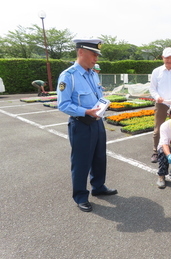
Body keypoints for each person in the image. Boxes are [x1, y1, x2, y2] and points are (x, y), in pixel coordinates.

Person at [57, 38, 117, 212]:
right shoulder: (68, 76)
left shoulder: (93, 73)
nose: (96, 59)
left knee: (99, 158)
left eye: (97, 55)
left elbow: (97, 95)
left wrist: (103, 104)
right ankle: (81, 196)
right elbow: (63, 104)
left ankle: (98, 187)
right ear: (81, 52)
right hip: (81, 124)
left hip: (97, 122)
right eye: (93, 54)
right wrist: (85, 112)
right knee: (81, 162)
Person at [149, 47, 171, 163]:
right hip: (162, 103)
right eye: (167, 58)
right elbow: (152, 88)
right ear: (162, 58)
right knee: (158, 128)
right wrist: (157, 97)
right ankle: (156, 151)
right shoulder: (156, 71)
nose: (169, 60)